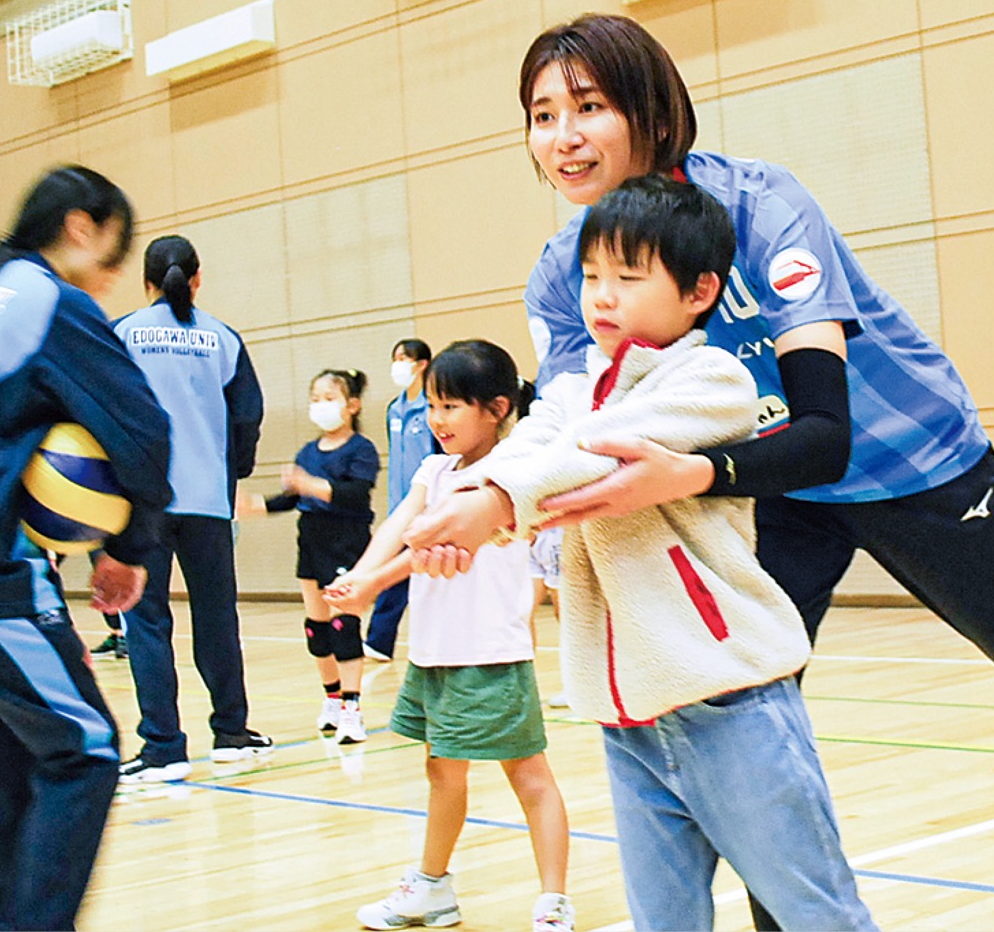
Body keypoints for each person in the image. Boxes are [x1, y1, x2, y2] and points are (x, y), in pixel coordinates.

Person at [508, 13, 994, 930]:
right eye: (543, 115)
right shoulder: (563, 275)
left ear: (651, 110)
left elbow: (827, 429)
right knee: (749, 738)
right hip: (761, 495)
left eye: (588, 105)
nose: (564, 135)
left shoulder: (760, 205)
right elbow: (569, 432)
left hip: (911, 461)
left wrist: (689, 476)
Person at [405, 179, 874, 931]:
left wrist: (492, 503)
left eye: (629, 277)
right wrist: (466, 506)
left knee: (818, 914)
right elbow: (531, 445)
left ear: (699, 291)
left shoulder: (713, 381)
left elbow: (591, 458)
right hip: (629, 725)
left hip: (729, 701)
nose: (602, 296)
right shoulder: (573, 387)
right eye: (593, 276)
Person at [0, 165, 172, 930]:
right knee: (82, 753)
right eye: (116, 250)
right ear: (83, 227)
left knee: (4, 781)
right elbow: (143, 431)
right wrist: (129, 548)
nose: (115, 274)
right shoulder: (46, 297)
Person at [324, 340, 576, 932]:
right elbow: (400, 526)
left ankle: (553, 900)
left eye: (451, 407)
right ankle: (433, 888)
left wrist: (372, 586)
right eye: (432, 406)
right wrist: (359, 575)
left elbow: (432, 550)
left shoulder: (508, 476)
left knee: (529, 777)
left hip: (492, 653)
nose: (436, 421)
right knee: (442, 770)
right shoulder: (435, 469)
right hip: (436, 652)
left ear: (496, 407)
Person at [113, 234, 272, 783]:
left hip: (141, 505)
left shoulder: (124, 334)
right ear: (197, 279)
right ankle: (231, 733)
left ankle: (163, 747)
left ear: (147, 283)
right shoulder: (223, 340)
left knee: (147, 622)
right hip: (207, 501)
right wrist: (233, 472)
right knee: (216, 618)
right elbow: (248, 415)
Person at [241, 369, 379, 745]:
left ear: (352, 405)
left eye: (329, 398)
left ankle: (353, 709)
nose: (320, 405)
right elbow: (293, 497)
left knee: (343, 627)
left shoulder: (360, 450)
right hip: (312, 542)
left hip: (345, 543)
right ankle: (332, 700)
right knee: (316, 630)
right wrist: (255, 505)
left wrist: (310, 485)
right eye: (314, 398)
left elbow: (354, 494)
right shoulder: (307, 452)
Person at [363, 338, 438, 662]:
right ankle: (379, 641)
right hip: (400, 506)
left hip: (431, 504)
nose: (398, 365)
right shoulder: (394, 409)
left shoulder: (433, 407)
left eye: (404, 358)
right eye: (395, 358)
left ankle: (385, 640)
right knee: (395, 572)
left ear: (422, 364)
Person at [527, 526, 567, 708]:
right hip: (528, 533)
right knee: (521, 612)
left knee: (567, 616)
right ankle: (525, 687)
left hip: (560, 532)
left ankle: (576, 685)